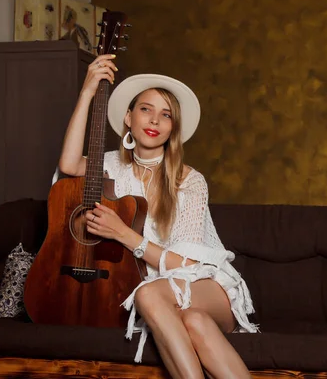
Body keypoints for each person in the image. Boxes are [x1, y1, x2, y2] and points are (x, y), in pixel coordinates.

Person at [57, 53, 258, 379]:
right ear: (128, 118)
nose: (154, 120)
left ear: (172, 128)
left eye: (165, 115)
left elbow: (188, 265)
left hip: (206, 287)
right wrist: (87, 91)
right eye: (146, 109)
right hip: (164, 298)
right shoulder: (110, 166)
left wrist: (124, 234)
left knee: (151, 294)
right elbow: (68, 164)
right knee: (193, 322)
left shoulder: (189, 180)